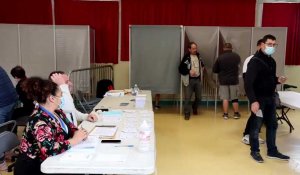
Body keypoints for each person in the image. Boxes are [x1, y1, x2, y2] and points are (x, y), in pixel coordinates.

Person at [14, 77, 88, 175]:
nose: (62, 98)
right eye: (61, 95)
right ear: (52, 98)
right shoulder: (38, 121)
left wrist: (80, 134)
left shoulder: (58, 112)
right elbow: (49, 150)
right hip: (35, 167)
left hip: (54, 160)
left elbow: (71, 128)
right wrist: (74, 140)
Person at [245, 34, 289, 163]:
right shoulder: (254, 61)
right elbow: (248, 83)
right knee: (256, 126)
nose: (272, 47)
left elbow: (269, 78)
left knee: (272, 125)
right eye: (269, 44)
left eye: (274, 45)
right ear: (262, 44)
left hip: (270, 98)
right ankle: (255, 151)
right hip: (259, 99)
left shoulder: (271, 61)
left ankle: (272, 151)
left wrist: (277, 80)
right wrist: (253, 101)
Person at [241, 39, 265, 145]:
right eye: (263, 45)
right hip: (254, 93)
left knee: (258, 114)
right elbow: (247, 78)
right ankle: (247, 134)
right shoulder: (251, 59)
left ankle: (254, 134)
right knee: (255, 114)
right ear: (258, 46)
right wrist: (252, 96)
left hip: (263, 92)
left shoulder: (267, 59)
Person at [213, 43, 241, 120]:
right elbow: (239, 68)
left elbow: (214, 70)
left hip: (223, 80)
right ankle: (236, 114)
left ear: (223, 48)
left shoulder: (220, 58)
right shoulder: (237, 56)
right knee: (234, 98)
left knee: (225, 98)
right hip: (234, 80)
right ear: (231, 48)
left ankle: (225, 115)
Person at [179, 42, 205, 120]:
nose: (195, 50)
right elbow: (181, 69)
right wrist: (189, 71)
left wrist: (203, 67)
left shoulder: (199, 57)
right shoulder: (187, 58)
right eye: (193, 48)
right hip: (189, 80)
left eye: (196, 48)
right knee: (187, 98)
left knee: (199, 97)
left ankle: (194, 107)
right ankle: (187, 113)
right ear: (189, 49)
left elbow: (202, 64)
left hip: (198, 80)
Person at [0, 66, 18, 171]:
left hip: (3, 103)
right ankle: (6, 151)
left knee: (0, 131)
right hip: (11, 100)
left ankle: (1, 162)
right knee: (4, 128)